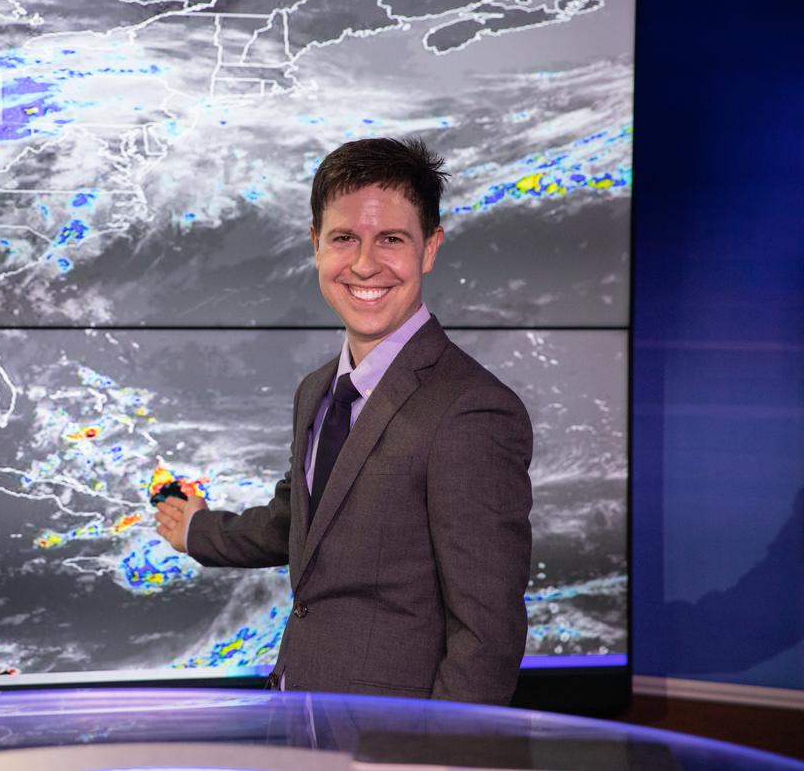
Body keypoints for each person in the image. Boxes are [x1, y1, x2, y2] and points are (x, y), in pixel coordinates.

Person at [154, 137, 533, 705]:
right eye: (343, 239)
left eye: (391, 239)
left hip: (394, 747)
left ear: (429, 248)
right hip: (299, 718)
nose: (363, 264)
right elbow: (301, 523)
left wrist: (447, 757)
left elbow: (489, 633)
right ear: (315, 246)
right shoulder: (317, 391)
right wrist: (198, 531)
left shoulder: (472, 410)